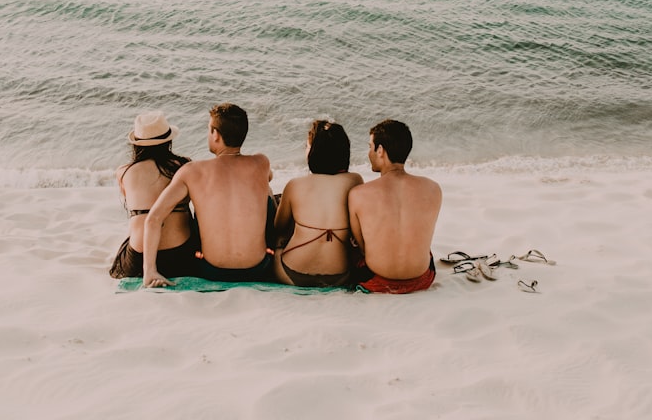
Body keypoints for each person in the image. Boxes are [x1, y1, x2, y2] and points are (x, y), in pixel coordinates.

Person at [142, 103, 275, 287]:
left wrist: (149, 271)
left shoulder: (192, 172)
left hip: (212, 270)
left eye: (208, 129)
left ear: (216, 135)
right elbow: (269, 178)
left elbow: (153, 218)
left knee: (199, 207)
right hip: (258, 269)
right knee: (268, 196)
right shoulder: (262, 162)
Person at [347, 119, 441, 293]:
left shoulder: (358, 194)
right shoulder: (433, 189)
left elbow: (361, 246)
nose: (369, 153)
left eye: (370, 147)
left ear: (380, 150)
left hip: (377, 280)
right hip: (421, 279)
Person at [109, 111, 198, 280]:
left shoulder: (123, 172)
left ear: (137, 144)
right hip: (179, 255)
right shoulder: (184, 166)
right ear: (168, 141)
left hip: (139, 257)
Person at [273, 120, 363, 287]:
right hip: (340, 276)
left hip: (292, 273)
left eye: (308, 146)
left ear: (314, 152)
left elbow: (279, 227)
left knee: (279, 236)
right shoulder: (354, 180)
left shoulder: (295, 185)